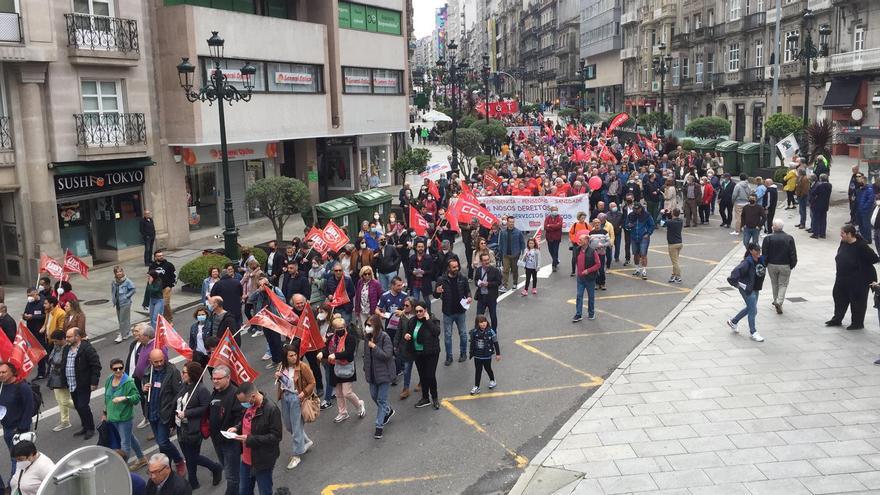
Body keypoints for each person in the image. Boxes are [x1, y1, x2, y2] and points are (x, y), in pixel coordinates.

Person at [174, 361, 222, 490]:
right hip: (181, 427)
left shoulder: (201, 390)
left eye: (184, 372)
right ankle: (193, 481)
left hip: (193, 428)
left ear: (192, 374)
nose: (182, 374)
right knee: (189, 457)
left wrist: (187, 413)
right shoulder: (184, 386)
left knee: (192, 457)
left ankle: (215, 467)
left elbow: (205, 407)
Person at [230, 381, 282, 495]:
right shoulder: (249, 405)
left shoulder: (271, 409)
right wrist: (237, 428)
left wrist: (250, 439)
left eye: (244, 402)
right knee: (244, 491)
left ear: (253, 396)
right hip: (246, 460)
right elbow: (247, 421)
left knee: (265, 491)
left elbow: (276, 437)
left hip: (262, 461)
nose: (242, 405)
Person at [827, 224, 879, 330]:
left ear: (850, 234)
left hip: (858, 280)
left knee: (857, 301)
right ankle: (837, 318)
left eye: (842, 234)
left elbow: (874, 259)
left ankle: (857, 323)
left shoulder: (862, 246)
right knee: (839, 297)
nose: (841, 236)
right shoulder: (843, 243)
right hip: (842, 277)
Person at [143, 348, 186, 476]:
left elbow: (178, 393)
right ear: (150, 361)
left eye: (161, 360)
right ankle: (166, 467)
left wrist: (173, 415)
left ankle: (178, 461)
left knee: (163, 442)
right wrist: (144, 389)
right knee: (160, 444)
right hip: (152, 412)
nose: (159, 364)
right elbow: (144, 389)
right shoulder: (148, 372)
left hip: (165, 414)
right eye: (156, 362)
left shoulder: (172, 372)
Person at [275, 342, 314, 469]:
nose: (294, 357)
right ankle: (306, 442)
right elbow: (282, 382)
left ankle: (297, 454)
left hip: (296, 398)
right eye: (290, 356)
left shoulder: (302, 366)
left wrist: (304, 393)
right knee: (289, 426)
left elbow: (312, 382)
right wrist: (277, 376)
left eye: (295, 355)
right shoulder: (282, 366)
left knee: (296, 426)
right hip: (285, 397)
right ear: (285, 357)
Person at [103, 358, 148, 471]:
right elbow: (106, 397)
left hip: (124, 418)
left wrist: (125, 398)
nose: (118, 370)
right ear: (111, 369)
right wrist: (105, 413)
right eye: (115, 369)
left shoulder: (128, 382)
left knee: (124, 444)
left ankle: (122, 469)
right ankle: (142, 458)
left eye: (121, 368)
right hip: (113, 417)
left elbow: (137, 398)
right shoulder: (109, 379)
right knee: (130, 437)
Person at [321, 317, 365, 423]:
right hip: (334, 367)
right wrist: (322, 353)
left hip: (346, 368)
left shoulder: (350, 338)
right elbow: (327, 350)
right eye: (338, 328)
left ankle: (359, 405)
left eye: (342, 327)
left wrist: (335, 355)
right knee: (339, 393)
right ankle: (343, 412)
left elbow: (349, 353)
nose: (340, 329)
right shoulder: (331, 339)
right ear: (334, 329)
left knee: (347, 393)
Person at [61, 327, 101, 440]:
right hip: (71, 383)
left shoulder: (87, 349)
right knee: (78, 406)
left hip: (83, 384)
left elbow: (96, 366)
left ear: (77, 337)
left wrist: (94, 382)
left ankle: (90, 428)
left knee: (83, 406)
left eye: (69, 337)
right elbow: (64, 364)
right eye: (66, 337)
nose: (67, 339)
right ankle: (85, 426)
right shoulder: (66, 349)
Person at [209, 365, 242, 495]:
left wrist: (235, 428)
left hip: (230, 442)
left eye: (219, 378)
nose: (215, 381)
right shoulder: (215, 392)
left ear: (228, 378)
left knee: (232, 476)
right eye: (213, 378)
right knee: (227, 469)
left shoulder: (235, 394)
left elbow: (241, 416)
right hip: (217, 441)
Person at [0, 362, 33, 489]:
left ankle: (14, 485)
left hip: (18, 430)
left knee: (17, 459)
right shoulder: (2, 386)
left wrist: (21, 429)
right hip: (7, 428)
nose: (1, 375)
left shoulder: (22, 387)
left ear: (12, 372)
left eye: (4, 372)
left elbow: (28, 408)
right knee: (16, 457)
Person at [362, 314, 396, 439]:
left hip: (384, 374)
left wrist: (375, 347)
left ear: (376, 326)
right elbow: (366, 355)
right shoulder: (367, 338)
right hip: (372, 374)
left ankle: (379, 426)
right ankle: (388, 410)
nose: (367, 328)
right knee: (374, 396)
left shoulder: (384, 337)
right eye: (366, 325)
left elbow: (387, 355)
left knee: (381, 400)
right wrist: (366, 368)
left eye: (369, 325)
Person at [403, 301, 441, 409]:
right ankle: (425, 398)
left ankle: (435, 398)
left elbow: (436, 332)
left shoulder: (433, 320)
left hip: (431, 352)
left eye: (421, 311)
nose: (419, 313)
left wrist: (427, 320)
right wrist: (407, 335)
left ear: (426, 311)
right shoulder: (412, 321)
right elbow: (408, 331)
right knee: (422, 376)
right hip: (418, 353)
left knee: (430, 376)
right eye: (417, 311)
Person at [725, 242, 767, 342]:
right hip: (747, 289)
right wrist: (736, 284)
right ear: (751, 251)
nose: (758, 252)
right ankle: (753, 332)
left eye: (759, 250)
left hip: (756, 288)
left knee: (750, 308)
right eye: (756, 250)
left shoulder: (760, 259)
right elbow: (734, 273)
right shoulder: (747, 262)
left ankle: (733, 321)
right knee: (753, 310)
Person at [433, 258, 471, 366]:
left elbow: (467, 291)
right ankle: (449, 356)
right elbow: (435, 295)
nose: (456, 268)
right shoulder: (441, 280)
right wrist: (437, 291)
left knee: (463, 334)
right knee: (448, 336)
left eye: (457, 266)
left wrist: (469, 297)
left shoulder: (462, 278)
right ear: (448, 268)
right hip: (448, 313)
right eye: (454, 267)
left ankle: (463, 353)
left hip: (460, 312)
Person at [762, 219, 798, 315]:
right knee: (783, 284)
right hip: (785, 264)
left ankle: (776, 300)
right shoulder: (789, 238)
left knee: (774, 283)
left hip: (771, 264)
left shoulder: (768, 238)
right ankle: (779, 301)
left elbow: (764, 253)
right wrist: (792, 264)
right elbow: (793, 253)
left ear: (773, 227)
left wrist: (764, 264)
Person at [468, 315, 501, 395]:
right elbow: (471, 343)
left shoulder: (491, 331)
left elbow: (495, 343)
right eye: (481, 322)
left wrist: (498, 354)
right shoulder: (474, 332)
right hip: (477, 355)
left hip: (487, 355)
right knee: (478, 370)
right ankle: (476, 387)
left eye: (485, 321)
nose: (483, 324)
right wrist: (471, 352)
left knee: (488, 368)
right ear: (477, 323)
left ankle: (492, 380)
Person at [572, 233, 601, 322]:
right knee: (579, 295)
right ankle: (578, 314)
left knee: (591, 296)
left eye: (581, 240)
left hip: (590, 278)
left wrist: (588, 271)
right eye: (579, 240)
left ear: (586, 241)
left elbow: (598, 264)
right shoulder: (577, 250)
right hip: (580, 278)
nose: (579, 241)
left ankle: (591, 313)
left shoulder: (593, 251)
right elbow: (575, 260)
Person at [210, 265, 244, 332]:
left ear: (221, 275)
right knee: (236, 330)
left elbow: (212, 296)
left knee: (225, 330)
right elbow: (241, 294)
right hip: (236, 309)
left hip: (224, 311)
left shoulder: (217, 284)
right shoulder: (237, 282)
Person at [474, 251, 502, 332]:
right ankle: (477, 333)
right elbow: (476, 280)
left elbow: (499, 282)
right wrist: (478, 284)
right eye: (485, 260)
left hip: (491, 297)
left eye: (488, 260)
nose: (487, 262)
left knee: (493, 316)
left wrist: (488, 284)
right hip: (481, 297)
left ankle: (493, 333)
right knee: (479, 316)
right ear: (481, 261)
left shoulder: (495, 270)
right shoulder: (479, 270)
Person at [626, 203, 655, 280]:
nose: (636, 210)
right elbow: (626, 225)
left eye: (638, 209)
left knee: (643, 254)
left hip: (643, 237)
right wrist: (629, 225)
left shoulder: (647, 215)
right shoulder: (631, 215)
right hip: (634, 237)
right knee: (635, 254)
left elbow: (652, 225)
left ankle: (644, 271)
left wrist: (648, 233)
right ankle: (637, 269)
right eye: (635, 209)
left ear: (641, 208)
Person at [21, 289, 47, 378]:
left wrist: (33, 317)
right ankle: (41, 372)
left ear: (36, 294)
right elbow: (26, 313)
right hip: (31, 332)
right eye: (28, 295)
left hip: (41, 332)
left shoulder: (43, 302)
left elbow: (46, 315)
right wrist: (25, 317)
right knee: (37, 351)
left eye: (31, 295)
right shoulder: (29, 303)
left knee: (44, 351)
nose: (29, 297)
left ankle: (44, 371)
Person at [149, 250, 177, 322]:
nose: (161, 257)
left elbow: (174, 275)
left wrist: (171, 285)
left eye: (162, 255)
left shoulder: (169, 265)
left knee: (165, 304)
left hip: (166, 287)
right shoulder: (152, 266)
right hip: (156, 289)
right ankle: (161, 320)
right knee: (159, 305)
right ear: (155, 258)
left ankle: (169, 320)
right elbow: (150, 277)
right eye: (159, 256)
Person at [112, 266, 137, 343]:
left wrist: (127, 296)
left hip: (125, 303)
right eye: (117, 272)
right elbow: (113, 291)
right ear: (115, 273)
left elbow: (133, 289)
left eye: (120, 271)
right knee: (122, 319)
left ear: (122, 272)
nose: (119, 273)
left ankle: (121, 335)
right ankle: (127, 332)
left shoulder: (127, 281)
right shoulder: (114, 282)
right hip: (118, 303)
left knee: (123, 319)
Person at [499, 216, 525, 291]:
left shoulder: (518, 232)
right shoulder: (503, 232)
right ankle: (504, 285)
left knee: (514, 270)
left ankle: (515, 283)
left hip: (515, 255)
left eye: (513, 222)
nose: (511, 223)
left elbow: (522, 243)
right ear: (507, 222)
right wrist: (501, 253)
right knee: (505, 270)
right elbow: (501, 243)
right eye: (510, 222)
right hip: (505, 255)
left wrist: (523, 253)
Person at [354, 266, 383, 330]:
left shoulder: (376, 283)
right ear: (362, 275)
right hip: (362, 309)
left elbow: (381, 297)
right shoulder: (360, 282)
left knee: (373, 328)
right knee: (365, 328)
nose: (367, 275)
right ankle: (366, 340)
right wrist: (356, 309)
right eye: (365, 274)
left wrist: (378, 307)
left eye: (369, 274)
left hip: (372, 310)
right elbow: (357, 296)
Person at [808, 173, 832, 239]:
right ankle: (822, 233)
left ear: (821, 179)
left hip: (817, 205)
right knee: (823, 219)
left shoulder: (819, 186)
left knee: (816, 219)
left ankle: (816, 234)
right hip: (825, 205)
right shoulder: (829, 185)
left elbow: (813, 193)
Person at [665, 208, 684, 284]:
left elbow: (661, 222)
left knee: (675, 262)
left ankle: (678, 277)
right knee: (675, 260)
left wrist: (663, 214)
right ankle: (673, 275)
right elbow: (670, 220)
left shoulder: (670, 222)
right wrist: (669, 215)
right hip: (679, 243)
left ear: (673, 213)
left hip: (672, 244)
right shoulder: (680, 221)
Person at [543, 206, 563, 271]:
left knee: (555, 251)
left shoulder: (560, 217)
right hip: (549, 237)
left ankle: (554, 265)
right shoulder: (547, 218)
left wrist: (550, 225)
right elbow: (545, 227)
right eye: (554, 210)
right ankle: (556, 260)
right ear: (551, 211)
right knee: (551, 250)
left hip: (557, 238)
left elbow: (559, 226)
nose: (555, 212)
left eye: (556, 210)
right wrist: (554, 227)